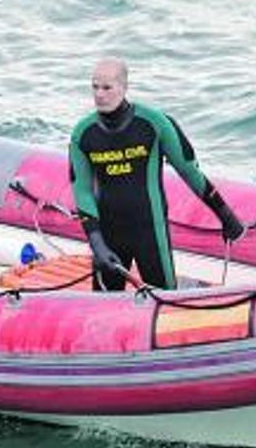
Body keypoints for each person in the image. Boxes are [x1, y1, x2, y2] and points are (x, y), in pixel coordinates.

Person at [69, 58, 244, 291]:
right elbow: (82, 190)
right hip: (109, 234)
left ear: (124, 87)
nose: (99, 94)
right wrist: (97, 244)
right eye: (95, 87)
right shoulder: (84, 133)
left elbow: (189, 172)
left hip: (150, 230)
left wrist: (226, 216)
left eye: (107, 87)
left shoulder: (153, 124)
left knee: (165, 302)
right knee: (104, 308)